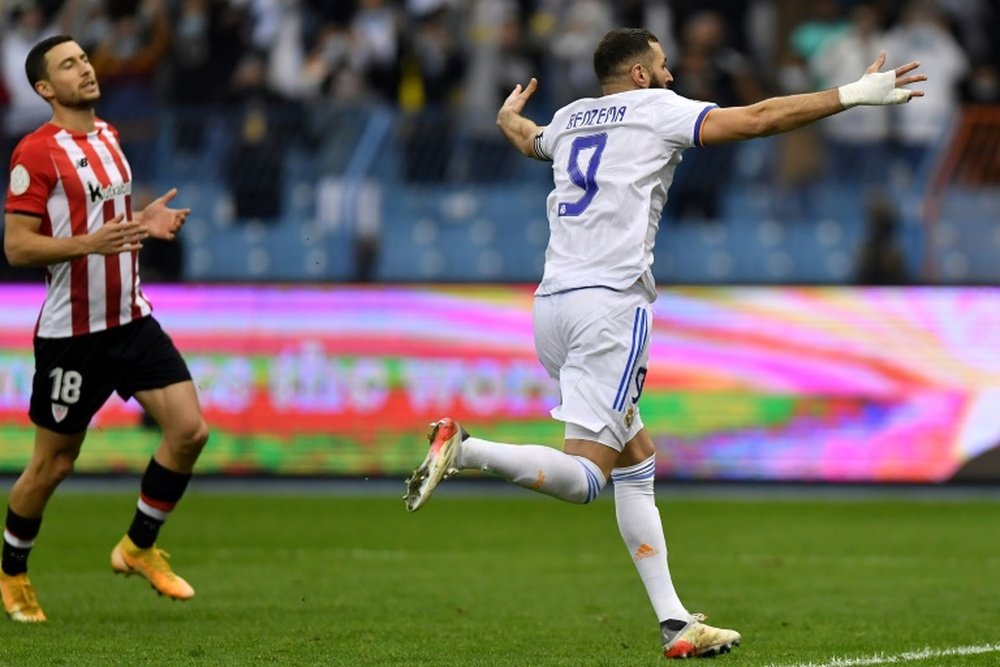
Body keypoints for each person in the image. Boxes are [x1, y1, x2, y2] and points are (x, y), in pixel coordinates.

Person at [404, 28, 925, 659]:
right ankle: (466, 448)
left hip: (551, 308)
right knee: (588, 480)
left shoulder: (568, 119)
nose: (673, 76)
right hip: (611, 309)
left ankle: (676, 623)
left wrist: (506, 116)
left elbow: (526, 139)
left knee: (637, 459)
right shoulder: (658, 110)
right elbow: (758, 119)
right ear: (642, 76)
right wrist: (852, 95)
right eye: (663, 66)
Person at [0, 35, 210, 623]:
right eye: (68, 65)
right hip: (74, 334)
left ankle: (137, 547)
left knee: (189, 432)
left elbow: (107, 224)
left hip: (132, 317)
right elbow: (17, 248)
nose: (84, 68)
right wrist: (85, 245)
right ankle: (12, 571)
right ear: (45, 89)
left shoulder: (111, 138)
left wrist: (145, 221)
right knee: (52, 467)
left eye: (84, 58)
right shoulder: (34, 154)